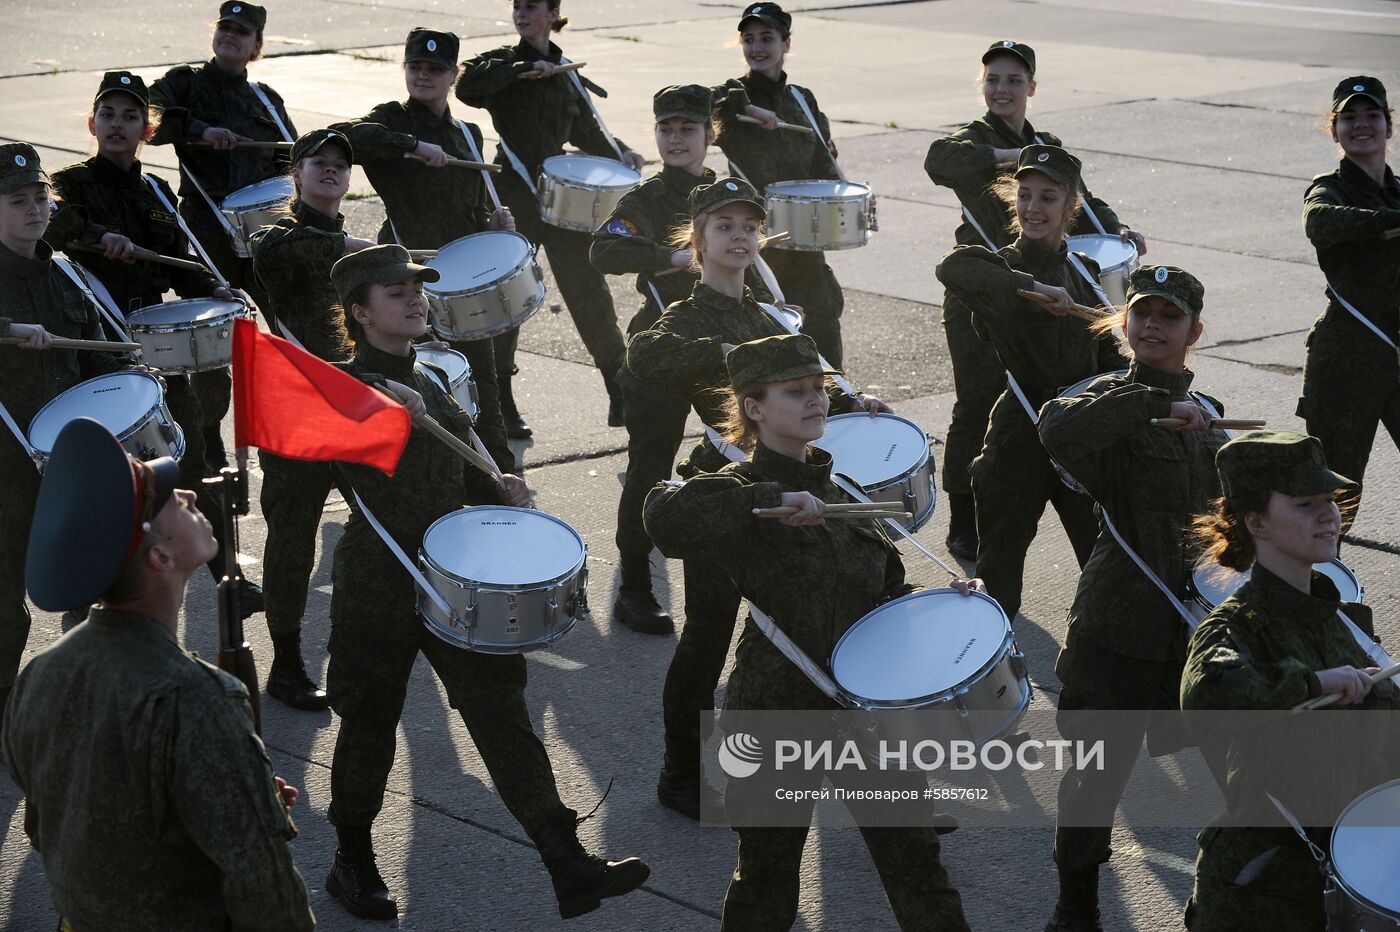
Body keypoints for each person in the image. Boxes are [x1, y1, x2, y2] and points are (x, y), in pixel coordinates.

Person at [321, 244, 649, 922]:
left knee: (500, 712)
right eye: (394, 292)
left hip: (455, 570)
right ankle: (351, 860)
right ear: (358, 311)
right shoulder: (342, 384)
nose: (415, 299)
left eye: (418, 288)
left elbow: (468, 473)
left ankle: (567, 863)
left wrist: (502, 487)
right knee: (370, 722)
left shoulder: (432, 384)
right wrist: (379, 405)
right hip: (379, 575)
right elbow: (301, 461)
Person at [644, 333, 971, 931]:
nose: (816, 401)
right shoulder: (739, 491)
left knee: (920, 873)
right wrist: (768, 497)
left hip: (866, 714)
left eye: (819, 388)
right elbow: (665, 516)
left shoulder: (842, 486)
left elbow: (882, 594)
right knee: (766, 884)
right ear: (753, 407)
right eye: (796, 392)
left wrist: (941, 607)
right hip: (776, 712)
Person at [628, 178, 886, 818]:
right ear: (697, 241)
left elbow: (810, 376)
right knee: (709, 634)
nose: (739, 237)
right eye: (724, 226)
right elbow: (643, 354)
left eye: (748, 226)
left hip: (798, 476)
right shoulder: (682, 316)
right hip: (731, 488)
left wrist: (856, 400)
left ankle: (873, 785)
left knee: (833, 619)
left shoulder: (772, 309)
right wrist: (718, 351)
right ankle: (681, 771)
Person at [3, 416, 314, 931]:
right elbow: (270, 898)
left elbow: (48, 826)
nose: (189, 494)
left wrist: (215, 794)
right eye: (169, 497)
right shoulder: (197, 698)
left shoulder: (40, 674)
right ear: (161, 555)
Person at [1036, 266, 1226, 932]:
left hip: (1193, 633)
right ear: (1123, 323)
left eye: (1168, 317)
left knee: (1240, 776)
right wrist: (1151, 406)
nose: (1152, 326)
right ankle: (1076, 902)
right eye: (1141, 313)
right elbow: (1057, 429)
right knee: (1093, 778)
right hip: (1117, 624)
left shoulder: (1213, 426)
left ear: (1192, 332)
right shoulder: (1105, 401)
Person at [45, 70, 266, 627]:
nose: (118, 125)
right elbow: (54, 225)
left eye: (130, 116)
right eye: (109, 115)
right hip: (94, 345)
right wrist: (100, 239)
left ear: (148, 129)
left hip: (152, 348)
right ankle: (81, 600)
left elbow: (182, 263)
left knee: (186, 458)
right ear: (92, 123)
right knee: (104, 477)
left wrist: (211, 287)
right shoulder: (68, 184)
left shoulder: (156, 191)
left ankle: (228, 580)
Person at [924, 39, 1146, 560]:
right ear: (982, 86)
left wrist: (1119, 230)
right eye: (994, 80)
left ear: (1032, 88)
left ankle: (1053, 490)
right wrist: (1008, 156)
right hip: (987, 287)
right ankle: (964, 518)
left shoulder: (1048, 142)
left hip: (1049, 285)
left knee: (1050, 392)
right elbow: (939, 161)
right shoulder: (971, 140)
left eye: (1014, 80)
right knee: (978, 400)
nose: (1003, 89)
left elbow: (1085, 200)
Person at [1180, 430, 1400, 930]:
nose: (1328, 515)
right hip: (1263, 889)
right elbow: (1207, 694)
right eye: (1304, 504)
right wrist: (1316, 681)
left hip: (1356, 872)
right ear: (1256, 521)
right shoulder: (1233, 626)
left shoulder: (1342, 618)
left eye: (1329, 500)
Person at [589, 83, 771, 636]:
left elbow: (750, 255)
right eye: (665, 129)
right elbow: (604, 250)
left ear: (708, 134)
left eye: (687, 129)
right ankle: (636, 588)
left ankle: (745, 567)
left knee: (748, 452)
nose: (675, 139)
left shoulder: (728, 193)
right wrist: (669, 255)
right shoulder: (644, 198)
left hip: (726, 342)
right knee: (649, 465)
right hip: (664, 342)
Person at [935, 144, 1128, 624]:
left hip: (1079, 434)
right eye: (1024, 195)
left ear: (1070, 207)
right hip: (1021, 433)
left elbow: (1108, 354)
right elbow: (954, 267)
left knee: (1105, 566)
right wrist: (1036, 289)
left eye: (1047, 197)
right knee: (998, 578)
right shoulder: (1001, 266)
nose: (1033, 208)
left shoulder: (1083, 271)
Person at [330, 26, 516, 472]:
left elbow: (478, 203)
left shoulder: (468, 134)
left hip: (462, 282)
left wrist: (493, 224)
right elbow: (340, 137)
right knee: (415, 384)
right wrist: (411, 145)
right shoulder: (392, 118)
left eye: (435, 69)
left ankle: (498, 481)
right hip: (406, 278)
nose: (423, 75)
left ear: (453, 74)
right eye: (415, 66)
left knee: (480, 388)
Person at [457, 0, 646, 435]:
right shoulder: (501, 62)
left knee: (588, 292)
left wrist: (620, 151)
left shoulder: (566, 73)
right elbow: (468, 86)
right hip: (513, 191)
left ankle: (617, 390)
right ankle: (501, 401)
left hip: (563, 198)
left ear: (553, 12)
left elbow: (586, 131)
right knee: (508, 294)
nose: (522, 14)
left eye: (532, 6)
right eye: (517, 6)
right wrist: (520, 70)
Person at [0, 142, 133, 713]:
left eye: (41, 198)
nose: (34, 210)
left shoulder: (67, 275)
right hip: (7, 461)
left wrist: (130, 378)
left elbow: (99, 359)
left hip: (71, 457)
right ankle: (4, 705)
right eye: (17, 201)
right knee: (5, 593)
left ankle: (82, 694)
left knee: (89, 577)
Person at [248, 127, 376, 709]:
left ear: (350, 181)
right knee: (294, 537)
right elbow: (280, 257)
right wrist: (350, 248)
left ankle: (369, 642)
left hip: (353, 398)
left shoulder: (358, 248)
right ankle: (287, 661)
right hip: (295, 403)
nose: (329, 170)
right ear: (295, 175)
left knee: (383, 521)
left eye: (339, 165)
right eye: (316, 162)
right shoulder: (277, 235)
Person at [148, 0, 297, 472]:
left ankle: (292, 429)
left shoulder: (267, 99)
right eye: (225, 28)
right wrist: (198, 130)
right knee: (214, 343)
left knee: (292, 326)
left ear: (256, 47)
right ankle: (210, 434)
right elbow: (148, 119)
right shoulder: (185, 84)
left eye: (242, 32)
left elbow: (290, 162)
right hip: (209, 231)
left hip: (263, 238)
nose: (231, 36)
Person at [711, 2, 849, 368]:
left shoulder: (802, 100)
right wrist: (752, 110)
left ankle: (835, 410)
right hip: (756, 238)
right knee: (762, 330)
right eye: (749, 39)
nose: (757, 48)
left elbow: (823, 162)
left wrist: (846, 199)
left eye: (767, 38)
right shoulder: (730, 95)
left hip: (805, 235)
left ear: (786, 43)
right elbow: (710, 108)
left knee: (821, 326)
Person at [1298, 75, 1399, 532]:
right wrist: (1388, 223)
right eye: (1349, 117)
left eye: (1372, 115)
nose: (1362, 124)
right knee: (1335, 499)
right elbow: (1320, 223)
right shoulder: (1329, 189)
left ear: (1388, 126)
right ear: (1334, 130)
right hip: (1345, 362)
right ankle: (1322, 596)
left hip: (1396, 353)